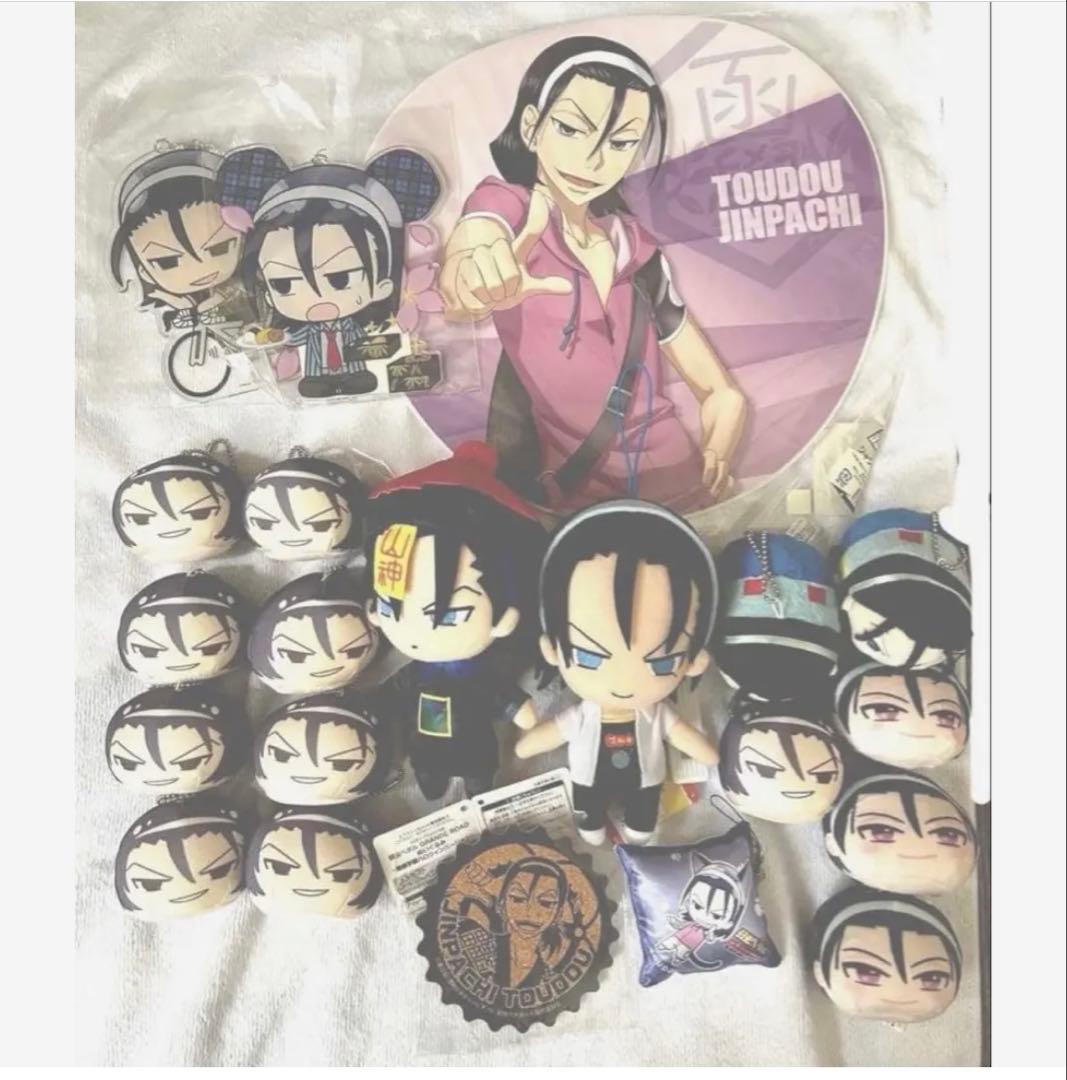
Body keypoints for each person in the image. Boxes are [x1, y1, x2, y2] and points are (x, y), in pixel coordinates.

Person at [439, 35, 747, 511]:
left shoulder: (638, 252)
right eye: (570, 128)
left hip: (681, 485)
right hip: (574, 497)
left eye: (621, 142)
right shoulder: (512, 208)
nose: (594, 159)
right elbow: (474, 244)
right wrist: (474, 273)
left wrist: (717, 455)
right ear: (531, 126)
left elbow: (722, 393)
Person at [515, 500, 719, 844]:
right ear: (552, 650)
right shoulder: (587, 715)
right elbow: (550, 734)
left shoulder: (656, 715)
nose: (624, 682)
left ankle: (637, 824)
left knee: (642, 820)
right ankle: (593, 824)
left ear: (694, 661)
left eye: (663, 662)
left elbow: (684, 736)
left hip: (645, 782)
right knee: (589, 815)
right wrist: (527, 745)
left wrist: (706, 754)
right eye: (589, 657)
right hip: (589, 780)